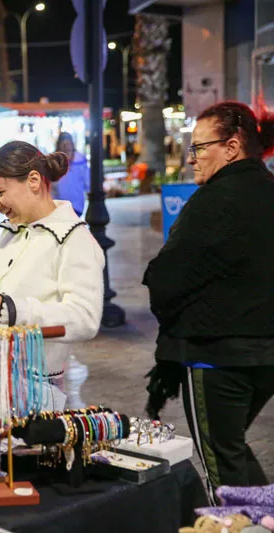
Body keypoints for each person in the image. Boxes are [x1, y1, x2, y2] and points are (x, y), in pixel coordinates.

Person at [143, 101, 274, 498]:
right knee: (231, 448)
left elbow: (167, 278)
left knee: (221, 460)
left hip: (216, 355)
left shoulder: (213, 200)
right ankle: (263, 514)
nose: (191, 159)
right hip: (265, 355)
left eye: (199, 147)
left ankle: (237, 522)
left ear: (232, 147)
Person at [0, 140, 105, 396]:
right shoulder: (10, 233)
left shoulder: (73, 239)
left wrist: (15, 310)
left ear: (33, 180)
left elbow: (85, 318)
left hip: (35, 390)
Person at [53, 132, 90, 217]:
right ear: (59, 146)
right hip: (58, 206)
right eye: (64, 145)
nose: (67, 148)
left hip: (76, 206)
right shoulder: (54, 161)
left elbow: (87, 180)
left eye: (68, 145)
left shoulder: (80, 161)